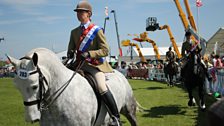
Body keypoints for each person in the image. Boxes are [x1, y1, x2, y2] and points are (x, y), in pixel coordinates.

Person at [67, 1, 121, 125]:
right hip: (79, 64)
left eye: (81, 12)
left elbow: (105, 50)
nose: (78, 14)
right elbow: (71, 49)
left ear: (89, 14)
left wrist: (90, 54)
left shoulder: (97, 30)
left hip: (95, 65)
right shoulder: (73, 32)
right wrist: (70, 54)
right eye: (77, 12)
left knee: (101, 86)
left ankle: (115, 117)